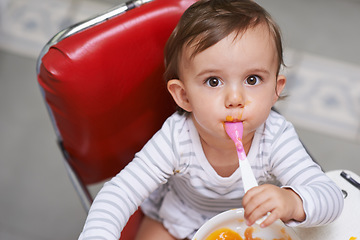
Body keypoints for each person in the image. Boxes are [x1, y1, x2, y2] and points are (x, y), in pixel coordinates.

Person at [78, 0, 344, 239]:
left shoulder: (275, 137)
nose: (235, 98)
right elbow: (120, 191)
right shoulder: (176, 138)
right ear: (184, 96)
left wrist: (293, 201)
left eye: (253, 79)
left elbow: (330, 197)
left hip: (250, 223)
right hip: (179, 221)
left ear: (276, 88)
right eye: (213, 81)